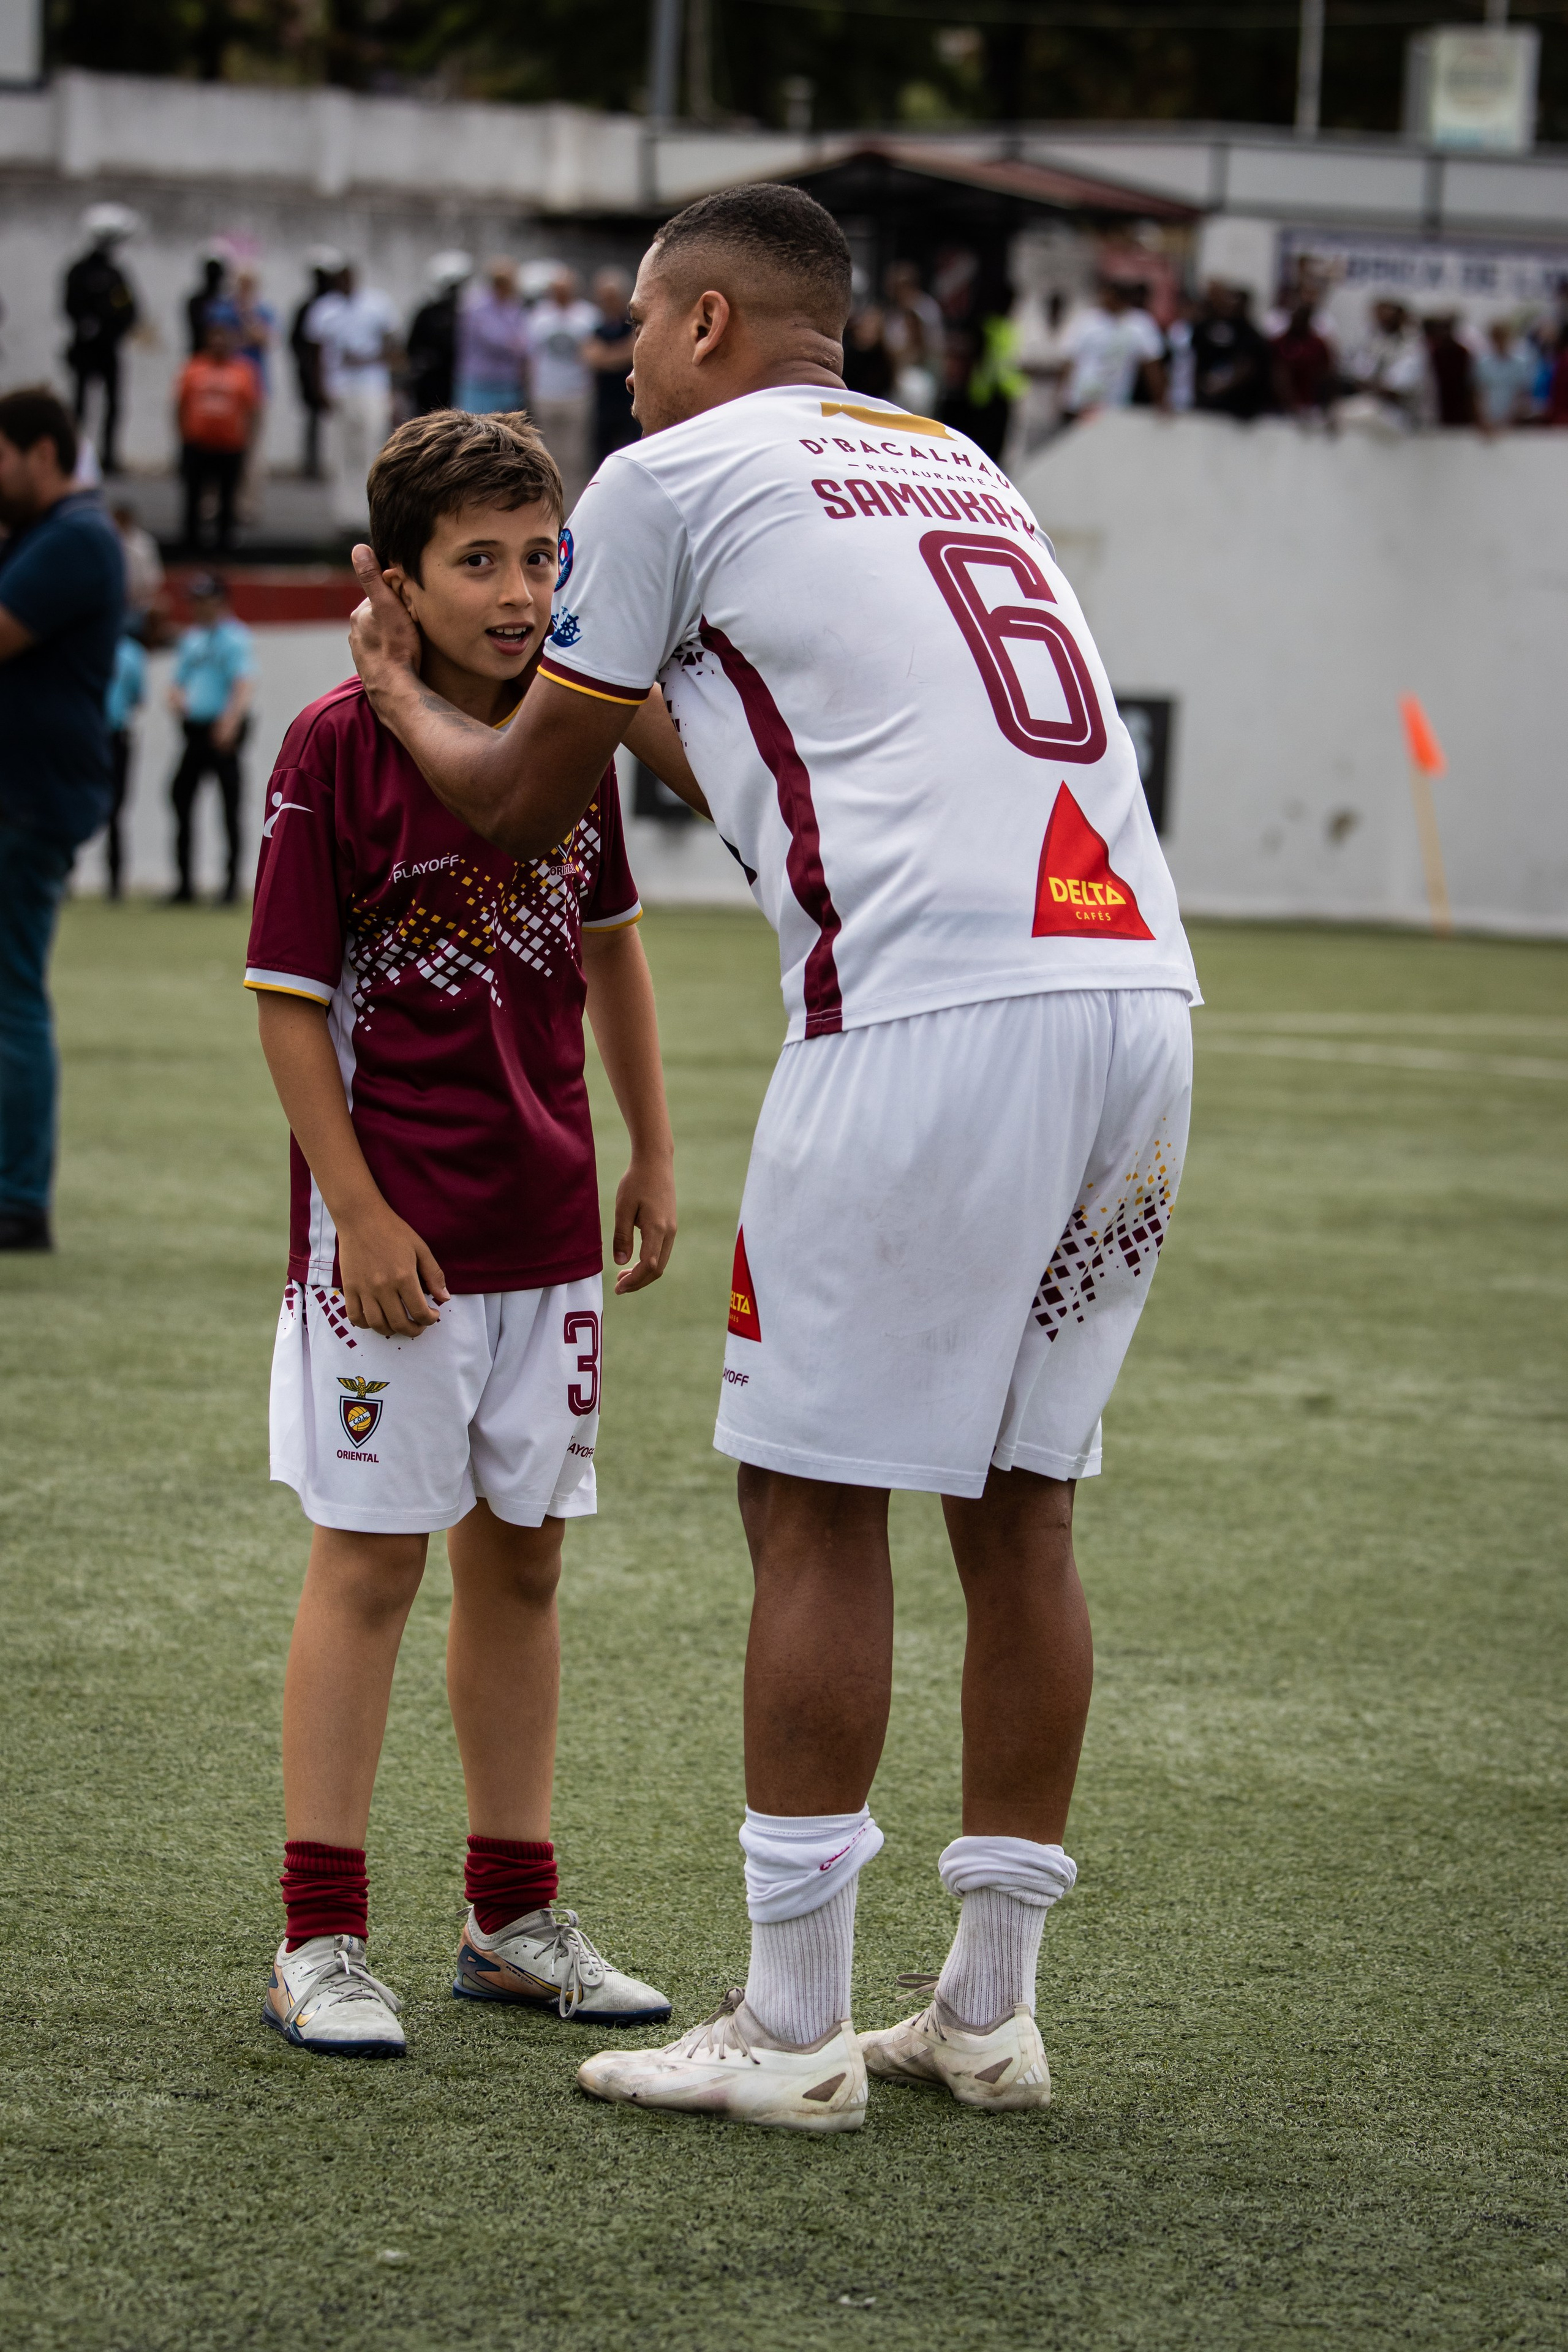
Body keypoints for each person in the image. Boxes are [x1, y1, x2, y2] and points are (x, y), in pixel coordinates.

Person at [347, 182, 1200, 2131]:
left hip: (920, 1020)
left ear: (711, 323)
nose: (621, 361)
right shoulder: (948, 459)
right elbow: (756, 726)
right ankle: (984, 2009)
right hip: (1133, 1001)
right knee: (1021, 1502)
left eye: (640, 325)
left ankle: (796, 2023)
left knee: (810, 1499)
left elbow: (505, 800)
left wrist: (399, 671)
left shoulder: (666, 470)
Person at [246, 407, 687, 2056]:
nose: (519, 592)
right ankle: (319, 1937)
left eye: (541, 556)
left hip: (547, 1236)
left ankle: (509, 1919)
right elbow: (290, 1009)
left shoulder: (570, 739)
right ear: (397, 585)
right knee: (369, 1565)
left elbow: (619, 952)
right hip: (393, 1253)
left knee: (526, 1557)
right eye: (479, 561)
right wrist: (353, 1210)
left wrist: (649, 1150)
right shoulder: (331, 750)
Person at [0, 387, 125, 1251]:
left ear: (42, 452)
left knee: (9, 996)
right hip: (27, 793)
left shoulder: (75, 537)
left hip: (24, 799)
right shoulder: (49, 537)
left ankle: (16, 1196)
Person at [165, 571, 255, 905]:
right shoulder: (191, 639)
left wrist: (231, 721)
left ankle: (231, 885)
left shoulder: (235, 638)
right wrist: (176, 697)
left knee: (229, 806)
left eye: (206, 600)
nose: (200, 607)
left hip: (222, 731)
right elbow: (178, 679)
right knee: (181, 799)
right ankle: (184, 884)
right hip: (195, 731)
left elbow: (244, 682)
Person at [306, 265, 402, 535]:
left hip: (372, 387)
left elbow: (393, 346)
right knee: (341, 453)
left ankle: (369, 514)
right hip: (339, 389)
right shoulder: (324, 310)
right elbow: (314, 354)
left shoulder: (377, 305)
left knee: (371, 449)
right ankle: (346, 516)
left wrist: (367, 359)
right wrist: (319, 388)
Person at [62, 205, 140, 478]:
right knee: (82, 404)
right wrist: (86, 323)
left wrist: (113, 327)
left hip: (108, 347)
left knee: (112, 404)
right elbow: (69, 305)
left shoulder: (115, 274)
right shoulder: (80, 272)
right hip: (86, 348)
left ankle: (108, 457)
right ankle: (77, 456)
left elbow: (130, 308)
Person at [175, 320, 260, 556]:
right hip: (198, 444)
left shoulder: (243, 371)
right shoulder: (193, 368)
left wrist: (248, 439)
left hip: (230, 445)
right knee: (193, 496)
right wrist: (183, 435)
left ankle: (224, 546)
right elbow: (180, 404)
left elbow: (252, 408)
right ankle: (190, 544)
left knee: (227, 496)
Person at [526, 267, 599, 506]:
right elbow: (529, 357)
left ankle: (574, 505)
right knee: (546, 452)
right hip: (546, 394)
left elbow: (594, 353)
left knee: (576, 456)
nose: (561, 294)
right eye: (557, 290)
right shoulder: (539, 316)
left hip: (577, 394)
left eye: (565, 290)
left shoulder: (588, 316)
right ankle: (549, 503)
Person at [1061, 279, 1166, 423]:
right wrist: (1063, 398)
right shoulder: (1086, 320)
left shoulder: (1140, 324)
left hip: (1114, 406)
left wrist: (1161, 401)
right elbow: (1069, 360)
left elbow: (1152, 366)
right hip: (1080, 402)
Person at [105, 616, 148, 900]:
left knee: (116, 811)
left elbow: (137, 697)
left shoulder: (132, 652)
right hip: (88, 737)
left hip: (115, 736)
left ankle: (115, 882)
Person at [455, 258, 530, 417]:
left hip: (507, 382)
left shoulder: (515, 306)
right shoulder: (477, 306)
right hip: (480, 382)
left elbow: (526, 340)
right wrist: (516, 344)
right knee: (476, 431)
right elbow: (494, 339)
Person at [290, 253, 341, 481]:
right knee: (313, 419)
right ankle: (312, 463)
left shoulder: (337, 308)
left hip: (338, 375)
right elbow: (297, 343)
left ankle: (332, 464)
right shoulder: (307, 307)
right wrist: (308, 370)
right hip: (313, 372)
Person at [1191, 282, 1272, 420]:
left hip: (1239, 406)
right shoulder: (1205, 328)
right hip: (1206, 402)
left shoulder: (1250, 335)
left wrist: (1221, 386)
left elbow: (1248, 365)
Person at [406, 251, 472, 416]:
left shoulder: (467, 314)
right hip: (431, 384)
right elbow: (412, 348)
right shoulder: (428, 313)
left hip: (459, 382)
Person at [584, 267, 638, 466]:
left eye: (611, 297)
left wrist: (606, 356)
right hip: (604, 402)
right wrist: (620, 354)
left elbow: (633, 352)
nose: (606, 302)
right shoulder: (596, 325)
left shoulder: (633, 323)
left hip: (630, 400)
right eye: (603, 297)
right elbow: (591, 357)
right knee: (601, 455)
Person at [1271, 300, 1335, 419]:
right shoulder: (1279, 342)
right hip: (1280, 407)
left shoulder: (1318, 345)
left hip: (1310, 403)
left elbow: (1328, 372)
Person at [1473, 318, 1536, 434]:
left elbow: (1521, 394)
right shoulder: (1483, 364)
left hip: (1513, 423)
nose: (1500, 342)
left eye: (1503, 337)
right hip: (1488, 424)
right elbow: (1479, 394)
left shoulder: (1519, 364)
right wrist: (1485, 420)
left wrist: (1509, 419)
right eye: (1497, 338)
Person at [110, 499, 164, 630]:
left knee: (161, 608)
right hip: (114, 602)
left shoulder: (145, 542)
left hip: (142, 602)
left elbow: (155, 578)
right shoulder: (107, 540)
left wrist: (140, 595)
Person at [1423, 314, 1476, 429]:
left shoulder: (1462, 352)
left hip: (1460, 404)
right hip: (1441, 403)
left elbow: (1470, 382)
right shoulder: (1436, 353)